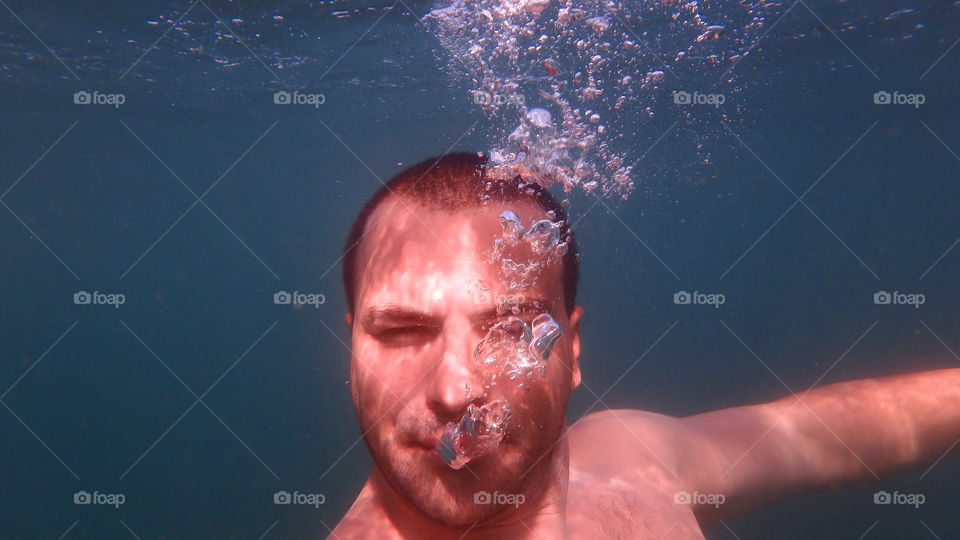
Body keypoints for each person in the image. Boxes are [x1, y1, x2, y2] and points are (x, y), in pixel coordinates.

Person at [330, 153, 959, 539]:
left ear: (572, 350)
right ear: (351, 349)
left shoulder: (631, 461)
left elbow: (826, 437)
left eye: (513, 328)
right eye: (402, 332)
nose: (455, 390)